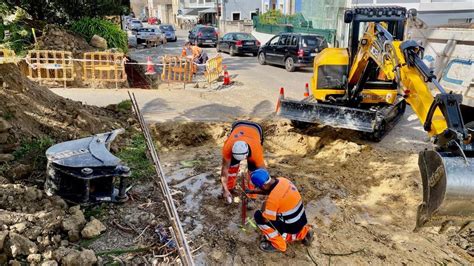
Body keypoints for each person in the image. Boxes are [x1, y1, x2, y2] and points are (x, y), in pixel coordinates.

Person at [251, 168, 313, 253]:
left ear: (263, 186)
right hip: (302, 221)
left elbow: (266, 219)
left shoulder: (272, 201)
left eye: (259, 187)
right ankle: (305, 233)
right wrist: (254, 191)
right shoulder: (283, 180)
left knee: (258, 216)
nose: (258, 189)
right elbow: (273, 191)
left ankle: (278, 244)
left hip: (292, 227)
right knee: (282, 212)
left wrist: (265, 205)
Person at [220, 121, 265, 204]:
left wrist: (264, 188)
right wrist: (225, 189)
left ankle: (252, 196)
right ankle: (229, 189)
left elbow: (263, 172)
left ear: (247, 154)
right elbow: (224, 171)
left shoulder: (256, 151)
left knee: (253, 172)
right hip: (238, 125)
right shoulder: (227, 147)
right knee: (231, 168)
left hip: (256, 128)